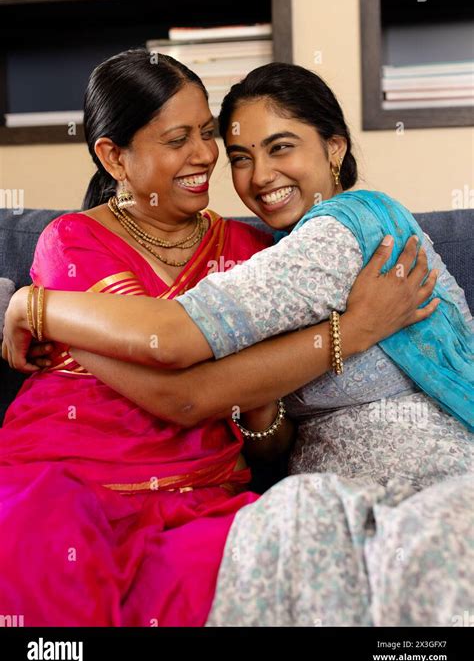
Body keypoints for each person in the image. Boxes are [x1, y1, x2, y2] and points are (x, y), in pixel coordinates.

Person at [0, 53, 432, 627]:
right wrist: (351, 331)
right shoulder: (72, 240)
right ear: (113, 155)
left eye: (208, 133)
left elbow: (266, 443)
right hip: (66, 481)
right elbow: (176, 393)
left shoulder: (256, 251)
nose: (206, 156)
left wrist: (258, 395)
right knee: (49, 573)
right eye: (178, 138)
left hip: (201, 503)